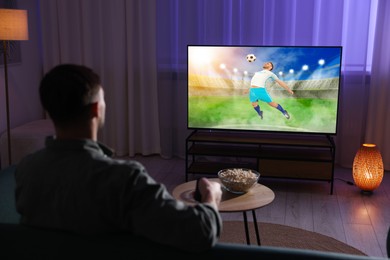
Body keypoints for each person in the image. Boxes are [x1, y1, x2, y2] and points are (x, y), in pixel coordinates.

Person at [14, 64, 223, 253]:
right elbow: (200, 232)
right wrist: (210, 197)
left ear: (50, 111)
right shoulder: (124, 178)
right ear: (97, 109)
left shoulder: (27, 169)